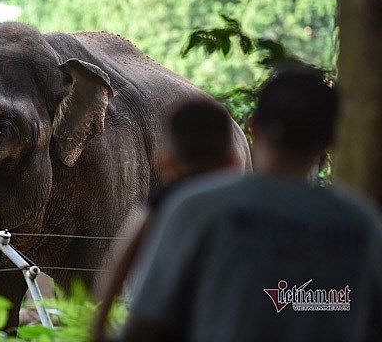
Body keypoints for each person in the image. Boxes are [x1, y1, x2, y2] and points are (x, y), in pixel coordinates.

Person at [120, 64, 382, 342]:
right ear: (332, 141)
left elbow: (143, 326)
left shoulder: (197, 208)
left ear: (253, 125)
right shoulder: (362, 224)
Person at [93, 99, 240, 341]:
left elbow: (120, 262)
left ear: (165, 161)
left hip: (166, 324)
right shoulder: (242, 204)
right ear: (232, 162)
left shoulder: (164, 200)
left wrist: (99, 327)